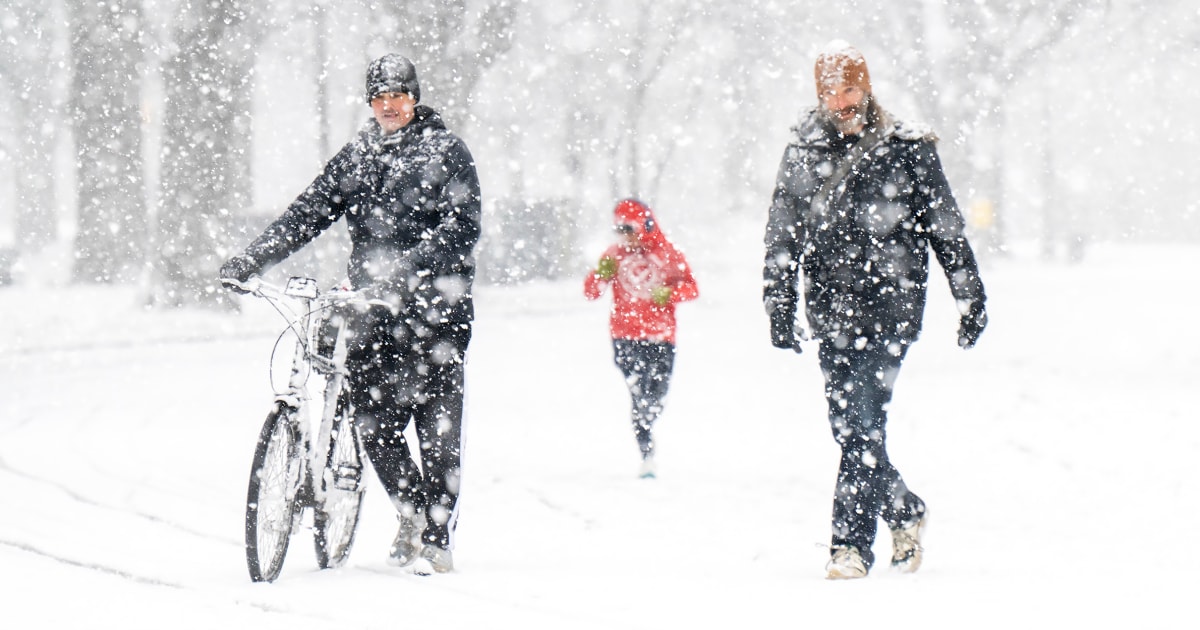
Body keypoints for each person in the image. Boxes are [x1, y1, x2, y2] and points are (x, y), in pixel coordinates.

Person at [219, 53, 480, 575]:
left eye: (399, 96)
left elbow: (461, 229)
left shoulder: (447, 152)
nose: (389, 106)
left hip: (435, 316)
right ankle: (410, 511)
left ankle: (436, 536)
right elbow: (307, 212)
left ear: (415, 98)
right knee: (375, 424)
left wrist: (404, 272)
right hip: (372, 313)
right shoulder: (357, 157)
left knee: (436, 430)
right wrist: (254, 257)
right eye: (380, 97)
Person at [762, 42, 988, 579]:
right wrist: (778, 300)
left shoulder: (907, 148)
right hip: (831, 310)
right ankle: (904, 509)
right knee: (850, 427)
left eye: (848, 89)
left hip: (891, 305)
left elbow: (945, 226)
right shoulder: (803, 152)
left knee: (862, 422)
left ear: (866, 88)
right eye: (829, 92)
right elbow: (782, 232)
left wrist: (969, 294)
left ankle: (850, 546)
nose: (840, 101)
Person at [584, 199, 698, 479]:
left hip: (661, 337)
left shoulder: (668, 253)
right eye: (619, 230)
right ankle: (646, 450)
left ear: (645, 226)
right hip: (625, 337)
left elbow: (691, 287)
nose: (624, 236)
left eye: (629, 229)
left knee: (656, 395)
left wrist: (669, 294)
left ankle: (647, 423)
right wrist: (602, 274)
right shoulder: (614, 255)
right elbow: (591, 292)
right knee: (639, 394)